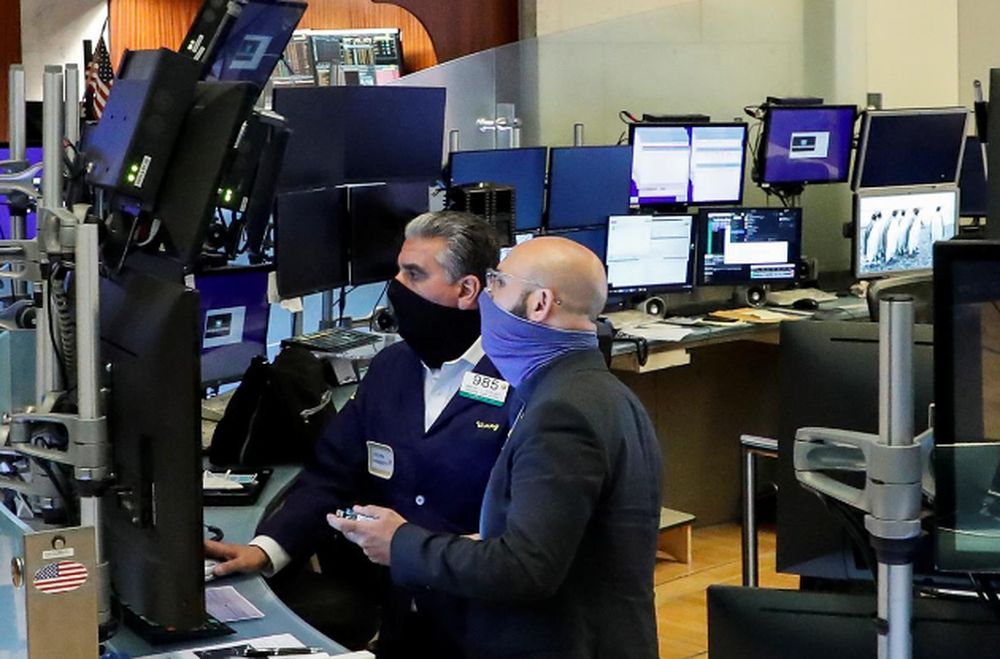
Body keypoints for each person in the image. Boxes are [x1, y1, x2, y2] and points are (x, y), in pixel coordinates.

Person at [330, 236, 663, 658]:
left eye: (498, 284)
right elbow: (563, 543)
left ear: (540, 303)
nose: (483, 298)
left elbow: (527, 569)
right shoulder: (602, 393)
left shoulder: (561, 412)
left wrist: (401, 543)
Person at [206, 211, 518, 657]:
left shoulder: (519, 381)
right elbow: (334, 475)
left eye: (414, 275)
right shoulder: (391, 370)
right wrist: (266, 548)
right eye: (398, 271)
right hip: (402, 621)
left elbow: (525, 538)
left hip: (486, 629)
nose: (395, 288)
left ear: (467, 290)